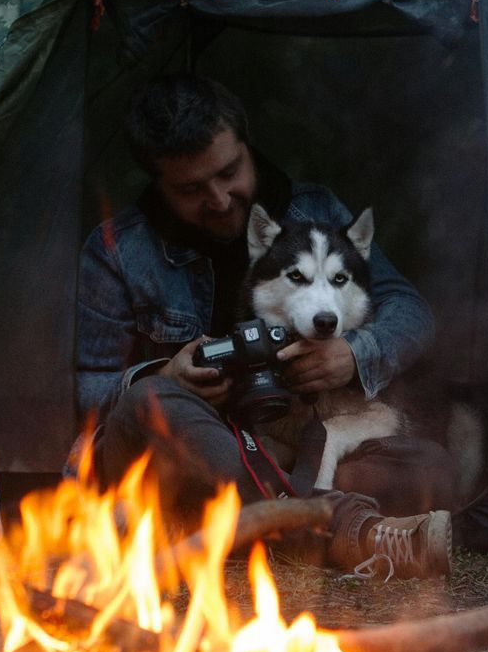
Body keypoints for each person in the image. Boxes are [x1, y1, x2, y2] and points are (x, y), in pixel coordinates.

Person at [75, 74, 451, 578]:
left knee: (431, 466)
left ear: (247, 145)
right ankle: (332, 529)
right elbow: (86, 391)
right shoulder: (118, 251)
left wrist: (354, 353)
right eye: (191, 189)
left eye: (229, 171)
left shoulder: (314, 211)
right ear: (157, 184)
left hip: (289, 450)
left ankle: (224, 529)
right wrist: (163, 376)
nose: (220, 199)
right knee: (149, 403)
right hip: (190, 447)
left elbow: (408, 308)